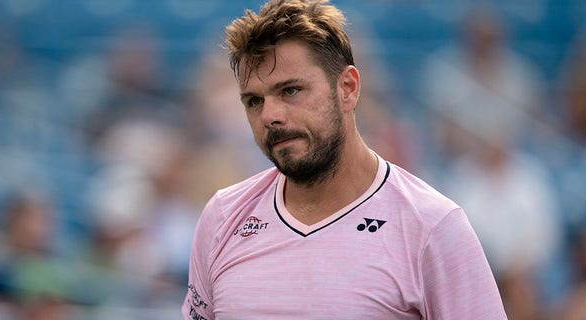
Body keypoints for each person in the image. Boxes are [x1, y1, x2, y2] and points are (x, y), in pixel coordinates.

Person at [182, 0, 506, 319]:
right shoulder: (223, 217)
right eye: (254, 101)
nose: (270, 116)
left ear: (348, 88)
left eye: (291, 91)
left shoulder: (433, 226)